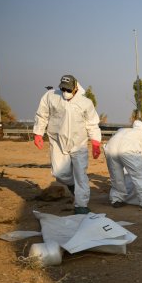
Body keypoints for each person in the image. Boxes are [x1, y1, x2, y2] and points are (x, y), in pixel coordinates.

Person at [33, 75, 101, 214]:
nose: (66, 92)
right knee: (59, 173)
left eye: (69, 89)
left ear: (76, 87)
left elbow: (92, 124)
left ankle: (81, 205)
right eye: (63, 88)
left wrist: (95, 143)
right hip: (57, 141)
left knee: (80, 175)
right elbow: (42, 115)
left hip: (79, 143)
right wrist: (38, 133)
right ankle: (73, 187)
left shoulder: (85, 102)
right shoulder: (51, 96)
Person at [104, 120, 142, 209]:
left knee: (116, 176)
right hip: (128, 150)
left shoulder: (124, 130)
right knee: (140, 177)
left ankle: (117, 200)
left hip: (110, 148)